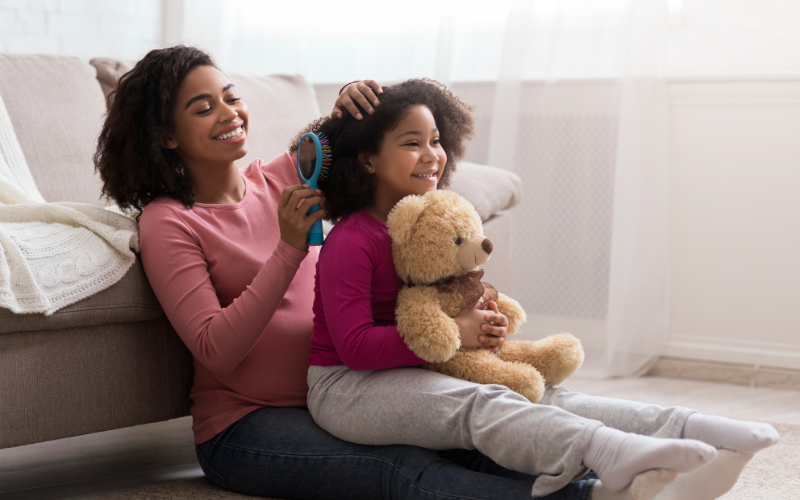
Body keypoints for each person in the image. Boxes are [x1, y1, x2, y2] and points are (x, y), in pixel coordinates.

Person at [94, 45, 620, 500]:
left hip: (347, 392)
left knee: (470, 439)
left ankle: (624, 474)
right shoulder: (168, 221)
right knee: (403, 468)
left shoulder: (278, 177)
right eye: (203, 108)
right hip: (246, 424)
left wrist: (350, 103)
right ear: (166, 136)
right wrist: (287, 251)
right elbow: (215, 349)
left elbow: (364, 147)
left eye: (231, 97)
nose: (229, 112)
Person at [301, 78, 781, 500]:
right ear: (367, 159)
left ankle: (690, 428)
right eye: (412, 143)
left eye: (436, 140)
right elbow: (357, 348)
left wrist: (481, 322)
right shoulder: (352, 240)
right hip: (347, 388)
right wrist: (456, 331)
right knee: (483, 403)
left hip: (421, 361)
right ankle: (608, 453)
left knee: (543, 392)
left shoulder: (431, 223)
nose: (432, 154)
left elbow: (444, 303)